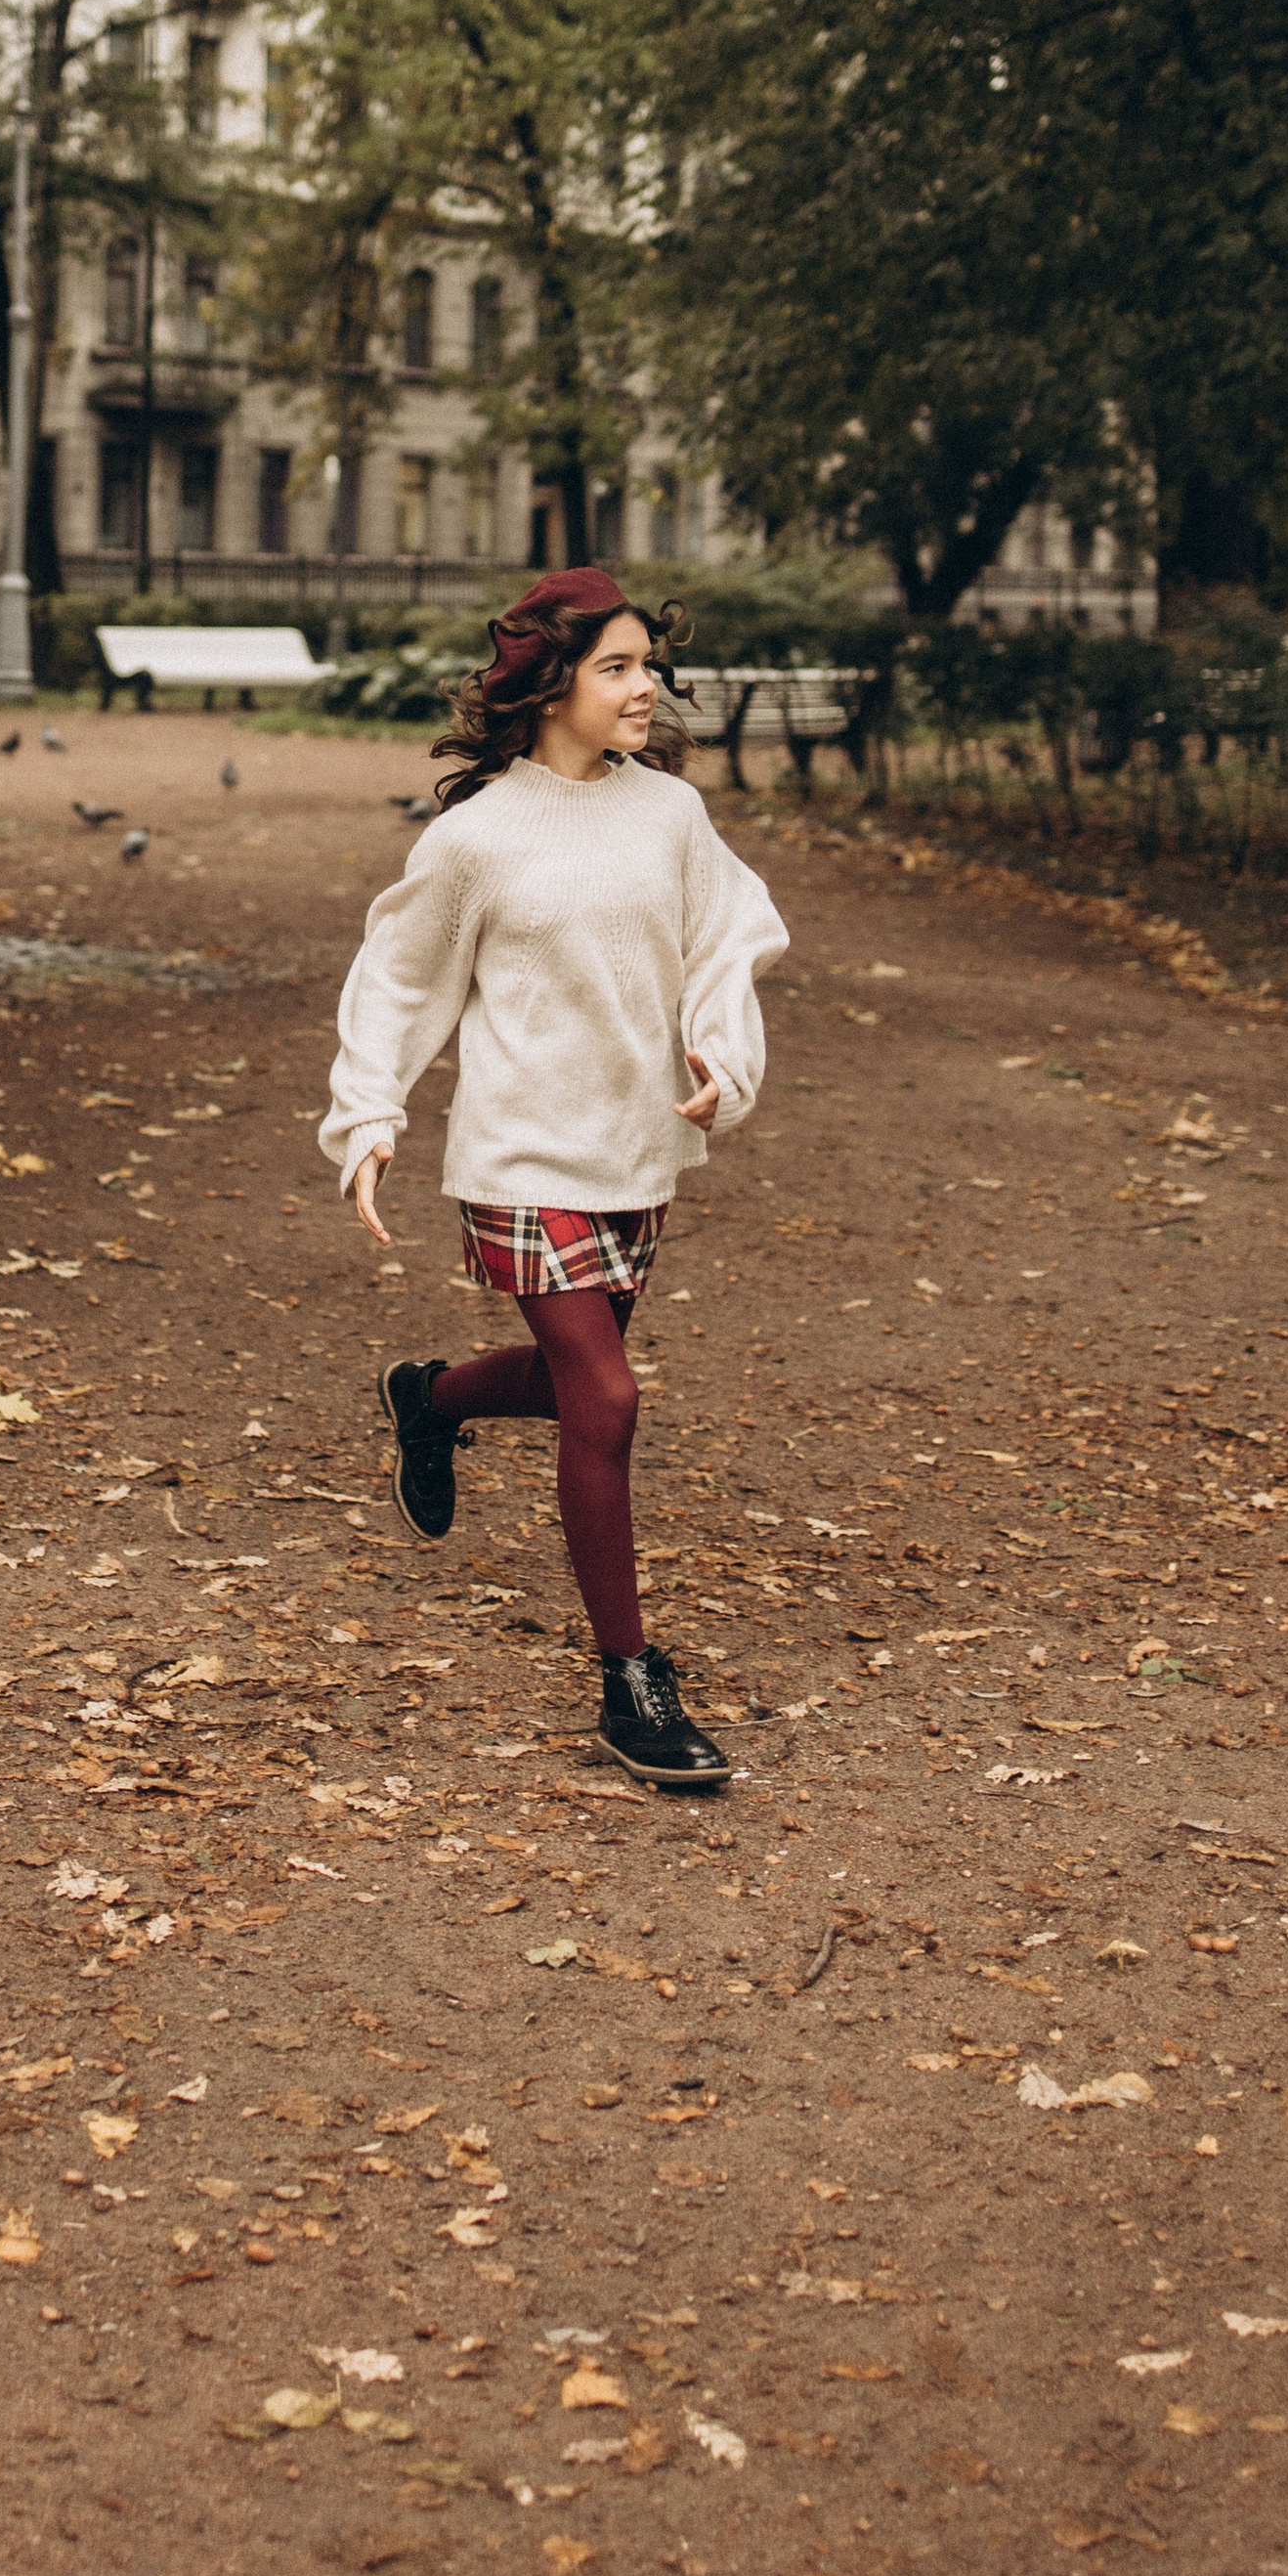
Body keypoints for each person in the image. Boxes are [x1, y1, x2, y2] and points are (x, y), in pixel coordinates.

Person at [320, 566, 789, 1786]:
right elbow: (400, 981)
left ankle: (428, 1399)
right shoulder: (476, 838)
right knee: (611, 1399)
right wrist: (368, 1114)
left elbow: (727, 939)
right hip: (520, 1155)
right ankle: (630, 1683)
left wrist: (721, 1054)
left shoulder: (669, 816)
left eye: (648, 666)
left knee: (579, 1386)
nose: (647, 689)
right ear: (551, 686)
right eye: (619, 668)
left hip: (635, 1149)